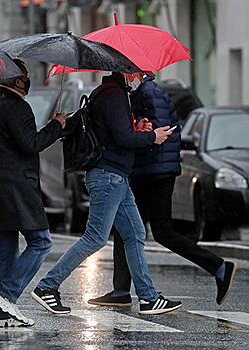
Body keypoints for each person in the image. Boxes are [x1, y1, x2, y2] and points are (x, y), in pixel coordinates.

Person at [31, 72, 182, 316]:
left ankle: (149, 298)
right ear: (126, 71)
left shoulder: (112, 93)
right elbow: (123, 137)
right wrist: (153, 137)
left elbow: (116, 132)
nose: (141, 77)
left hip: (116, 176)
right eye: (138, 72)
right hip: (108, 176)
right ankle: (47, 286)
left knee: (135, 234)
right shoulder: (114, 95)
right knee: (95, 237)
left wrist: (138, 129)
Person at [88, 71, 237, 308]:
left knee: (161, 232)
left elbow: (160, 132)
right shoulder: (140, 92)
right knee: (126, 228)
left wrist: (137, 131)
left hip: (153, 172)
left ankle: (219, 267)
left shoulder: (148, 92)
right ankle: (120, 291)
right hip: (147, 170)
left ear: (137, 72)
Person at [0, 59, 66, 327]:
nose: (27, 80)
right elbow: (32, 143)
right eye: (25, 75)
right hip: (18, 185)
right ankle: (6, 295)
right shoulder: (17, 106)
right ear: (17, 80)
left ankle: (2, 315)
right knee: (40, 241)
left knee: (5, 245)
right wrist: (56, 126)